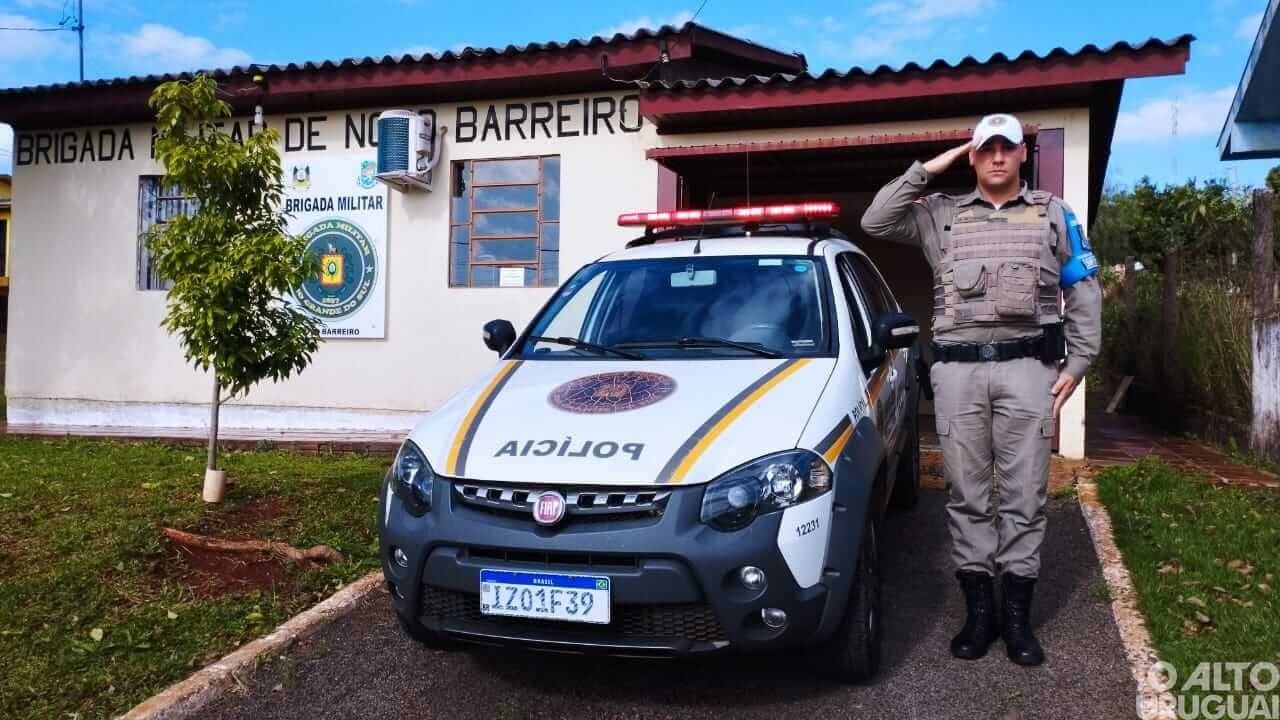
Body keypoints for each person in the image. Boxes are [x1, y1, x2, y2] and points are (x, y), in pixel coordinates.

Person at [860, 114, 1101, 666]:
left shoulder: (1054, 213)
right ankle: (979, 615)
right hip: (958, 375)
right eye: (985, 147)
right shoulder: (940, 214)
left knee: (1024, 497)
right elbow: (877, 219)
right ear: (972, 156)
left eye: (1006, 147)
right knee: (968, 496)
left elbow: (1084, 288)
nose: (996, 156)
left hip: (1029, 371)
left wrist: (1080, 360)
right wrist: (931, 166)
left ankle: (1016, 620)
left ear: (1022, 154)